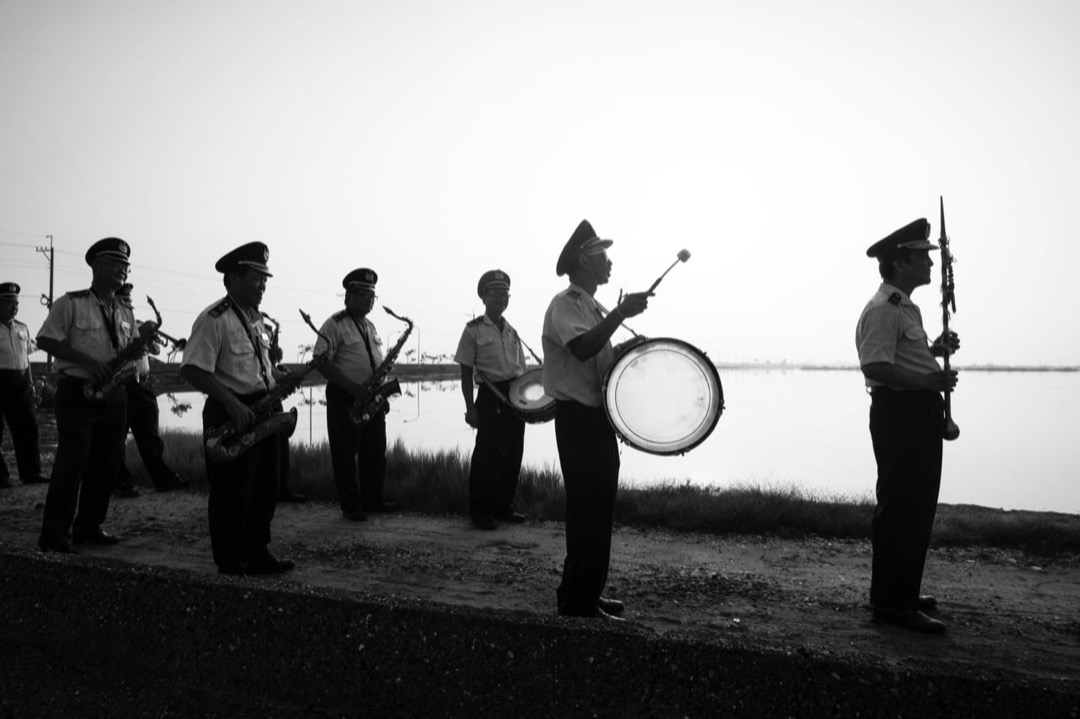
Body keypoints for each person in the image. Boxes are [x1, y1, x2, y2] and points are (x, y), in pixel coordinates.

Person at [541, 220, 650, 620]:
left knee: (598, 510)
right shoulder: (565, 303)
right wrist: (620, 313)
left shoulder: (589, 306)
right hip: (578, 421)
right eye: (602, 255)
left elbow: (598, 356)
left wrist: (624, 344)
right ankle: (577, 602)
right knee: (587, 510)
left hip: (595, 420)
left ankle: (585, 592)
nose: (609, 262)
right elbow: (584, 349)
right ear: (584, 261)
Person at [856, 217, 960, 634]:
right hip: (899, 413)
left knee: (917, 507)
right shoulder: (884, 309)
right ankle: (891, 604)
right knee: (901, 507)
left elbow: (899, 356)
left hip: (916, 412)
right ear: (899, 263)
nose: (931, 266)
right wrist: (929, 380)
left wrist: (934, 350)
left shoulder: (904, 307)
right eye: (922, 258)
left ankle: (900, 591)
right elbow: (876, 366)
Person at [180, 242, 294, 577]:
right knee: (232, 491)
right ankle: (230, 560)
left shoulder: (256, 319)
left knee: (266, 485)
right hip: (231, 412)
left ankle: (258, 552)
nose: (263, 285)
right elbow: (192, 368)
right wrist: (231, 403)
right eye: (257, 278)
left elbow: (258, 367)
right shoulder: (213, 319)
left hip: (262, 409)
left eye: (265, 279)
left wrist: (278, 377)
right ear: (233, 279)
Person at [35, 238, 138, 552]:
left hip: (114, 395)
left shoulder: (124, 310)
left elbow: (129, 349)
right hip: (78, 392)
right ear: (96, 266)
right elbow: (45, 340)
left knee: (106, 465)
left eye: (125, 266)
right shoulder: (71, 303)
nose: (122, 270)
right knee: (71, 463)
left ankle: (89, 526)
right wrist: (90, 363)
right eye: (115, 263)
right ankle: (54, 535)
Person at [314, 268, 397, 522]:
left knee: (375, 451)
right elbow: (320, 361)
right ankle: (351, 506)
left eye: (372, 295)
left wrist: (380, 395)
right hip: (345, 397)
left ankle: (373, 500)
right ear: (347, 296)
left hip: (371, 398)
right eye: (363, 294)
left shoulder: (370, 325)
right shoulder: (334, 324)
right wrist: (352, 388)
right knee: (345, 454)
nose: (369, 299)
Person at [454, 270, 528, 530]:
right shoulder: (473, 330)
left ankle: (502, 507)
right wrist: (470, 408)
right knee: (488, 456)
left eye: (505, 293)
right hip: (491, 396)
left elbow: (522, 371)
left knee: (512, 454)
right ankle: (480, 511)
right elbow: (465, 373)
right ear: (484, 296)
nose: (501, 297)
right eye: (495, 292)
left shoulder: (512, 331)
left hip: (514, 398)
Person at [112, 283, 188, 498]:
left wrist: (149, 337)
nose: (129, 304)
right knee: (117, 437)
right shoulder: (111, 323)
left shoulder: (135, 323)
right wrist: (139, 336)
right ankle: (121, 482)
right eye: (124, 301)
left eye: (130, 301)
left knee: (150, 436)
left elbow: (155, 350)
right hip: (122, 384)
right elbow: (117, 349)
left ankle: (163, 479)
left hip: (143, 383)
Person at [0, 282, 49, 488]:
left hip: (20, 383)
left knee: (28, 428)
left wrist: (30, 383)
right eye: (10, 302)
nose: (15, 306)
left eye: (16, 303)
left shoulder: (23, 328)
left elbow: (26, 358)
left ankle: (31, 472)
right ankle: (0, 476)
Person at [262, 312, 306, 504]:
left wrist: (282, 373)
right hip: (263, 399)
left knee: (281, 447)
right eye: (268, 336)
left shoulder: (267, 350)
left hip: (273, 399)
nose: (270, 339)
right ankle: (274, 490)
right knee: (270, 450)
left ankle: (282, 488)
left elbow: (270, 368)